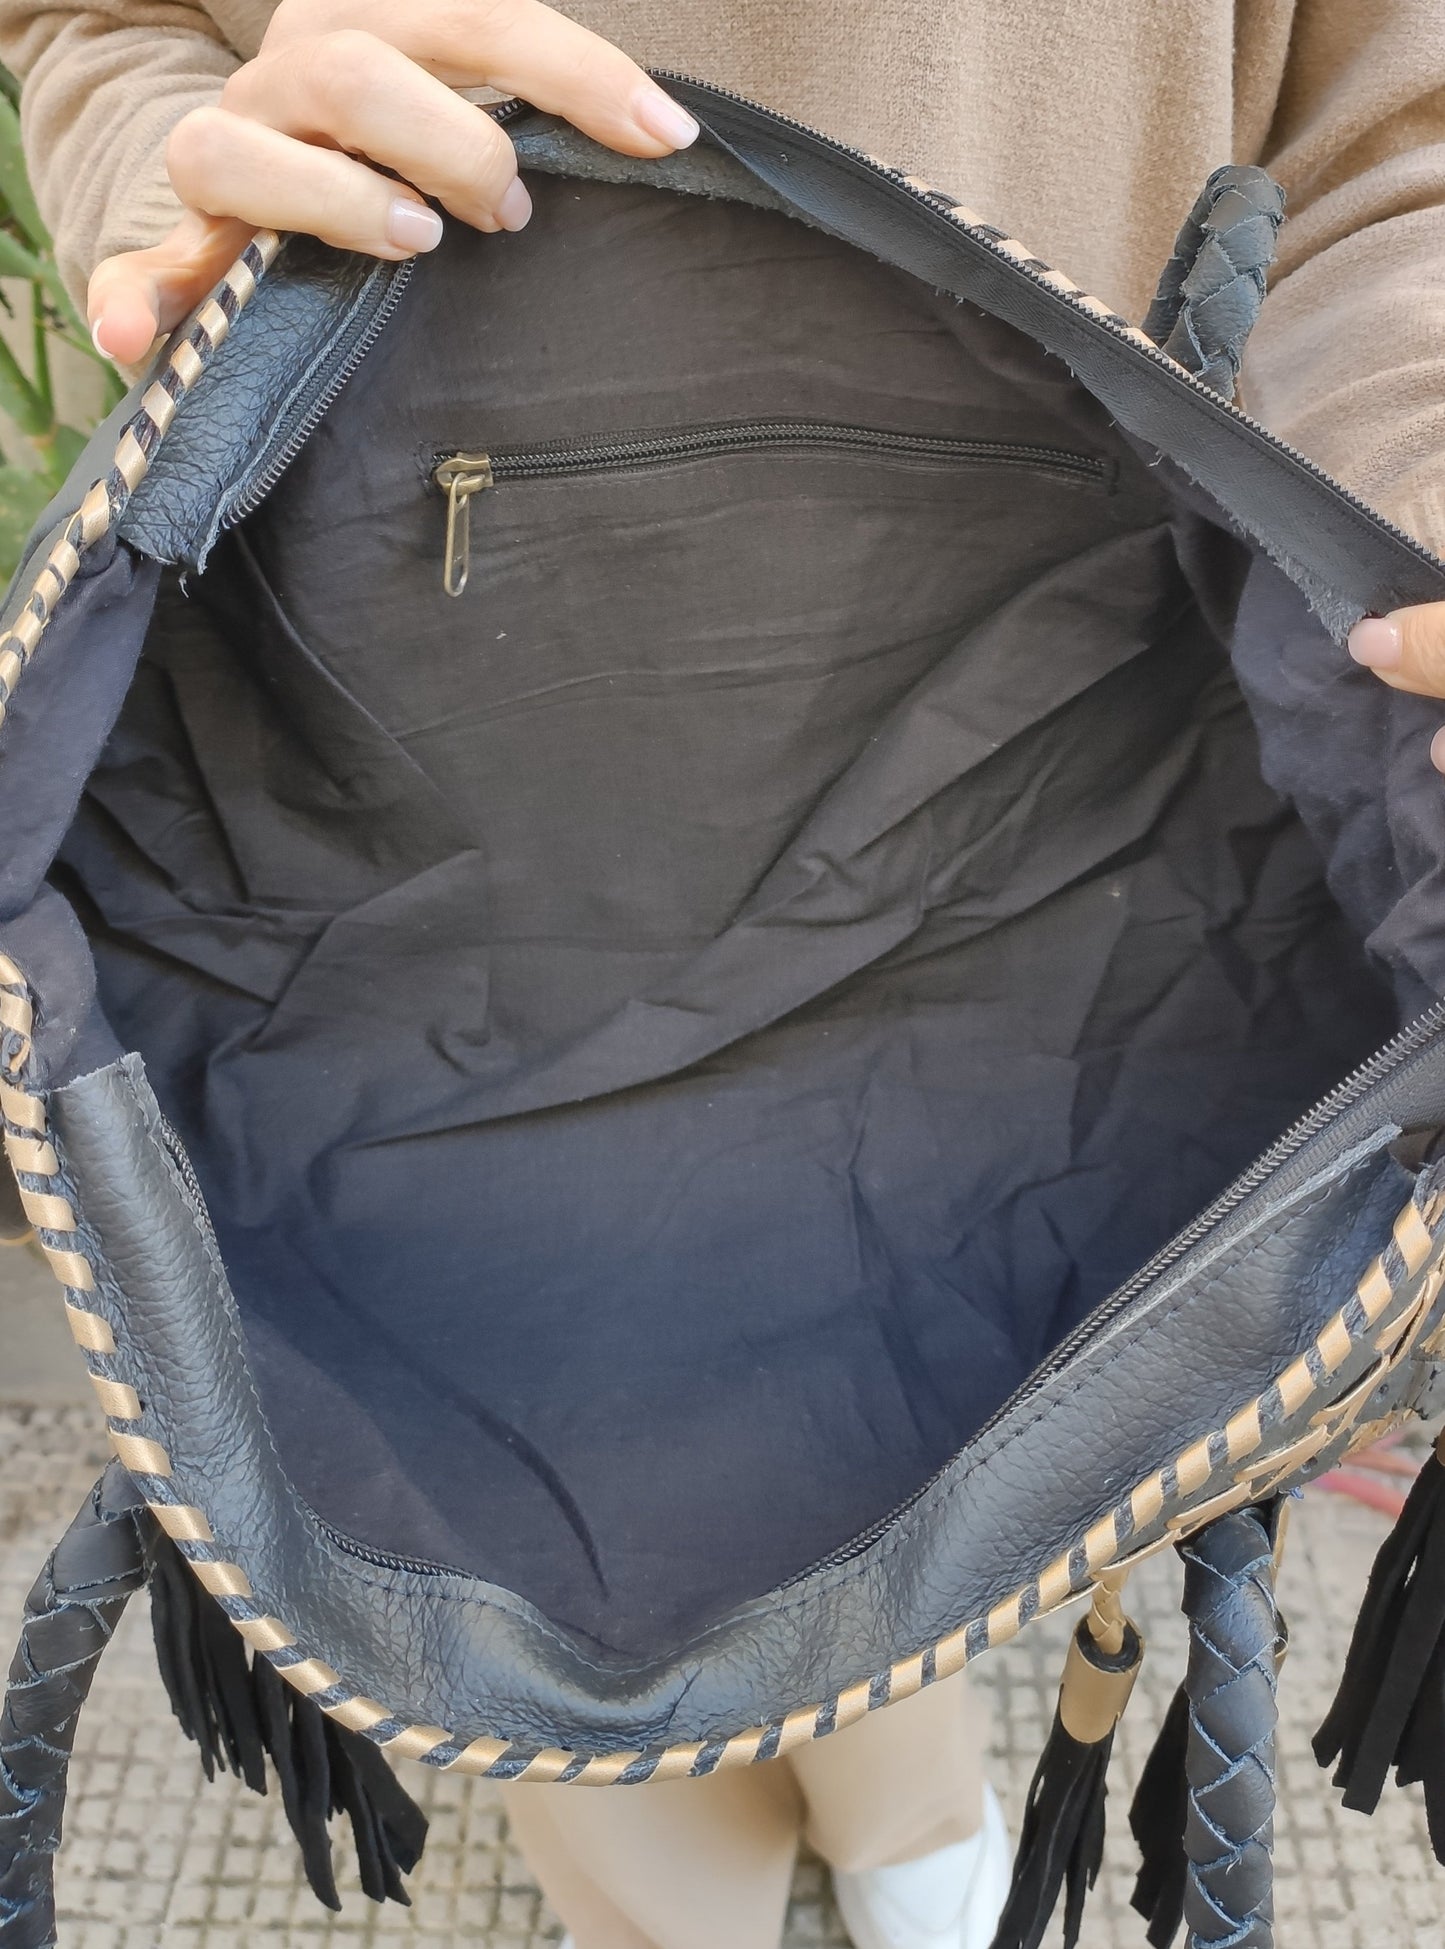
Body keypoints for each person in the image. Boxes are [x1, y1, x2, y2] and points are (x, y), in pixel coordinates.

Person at [0, 4, 1441, 1946]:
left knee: (934, 1485)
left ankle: (907, 1806)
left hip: (1057, 809)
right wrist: (175, 183)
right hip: (382, 880)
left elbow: (1387, 135)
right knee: (581, 1691)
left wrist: (1415, 517)